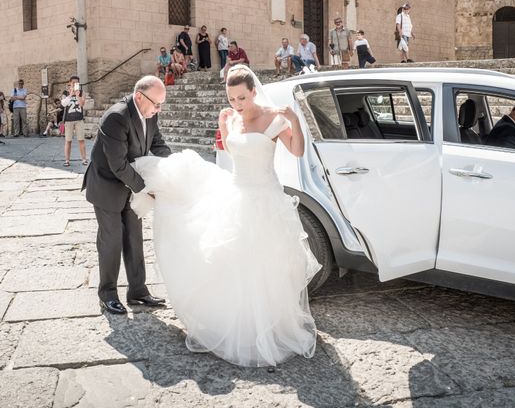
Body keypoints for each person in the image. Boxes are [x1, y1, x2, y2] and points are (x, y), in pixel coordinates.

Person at [130, 65, 320, 367]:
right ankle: (237, 322)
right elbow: (232, 153)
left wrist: (295, 120)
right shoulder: (227, 117)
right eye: (231, 99)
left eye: (241, 98)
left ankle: (269, 324)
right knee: (231, 260)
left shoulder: (273, 118)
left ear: (253, 92)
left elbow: (297, 151)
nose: (236, 105)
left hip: (265, 197)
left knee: (264, 263)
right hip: (236, 192)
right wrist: (227, 122)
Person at [82, 75, 171, 315]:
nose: (159, 109)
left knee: (134, 237)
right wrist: (145, 188)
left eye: (161, 104)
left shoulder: (150, 113)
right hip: (107, 186)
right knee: (111, 240)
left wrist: (177, 166)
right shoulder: (116, 117)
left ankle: (138, 291)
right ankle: (108, 294)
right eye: (157, 103)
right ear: (140, 97)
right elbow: (118, 165)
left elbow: (158, 144)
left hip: (130, 188)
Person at [60, 76, 88, 166]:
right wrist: (70, 94)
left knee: (81, 140)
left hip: (79, 120)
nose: (75, 84)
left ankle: (84, 159)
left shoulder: (82, 92)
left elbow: (82, 104)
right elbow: (63, 104)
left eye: (77, 83)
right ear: (70, 83)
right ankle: (67, 160)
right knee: (68, 140)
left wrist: (77, 95)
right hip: (69, 120)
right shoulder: (65, 92)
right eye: (73, 82)